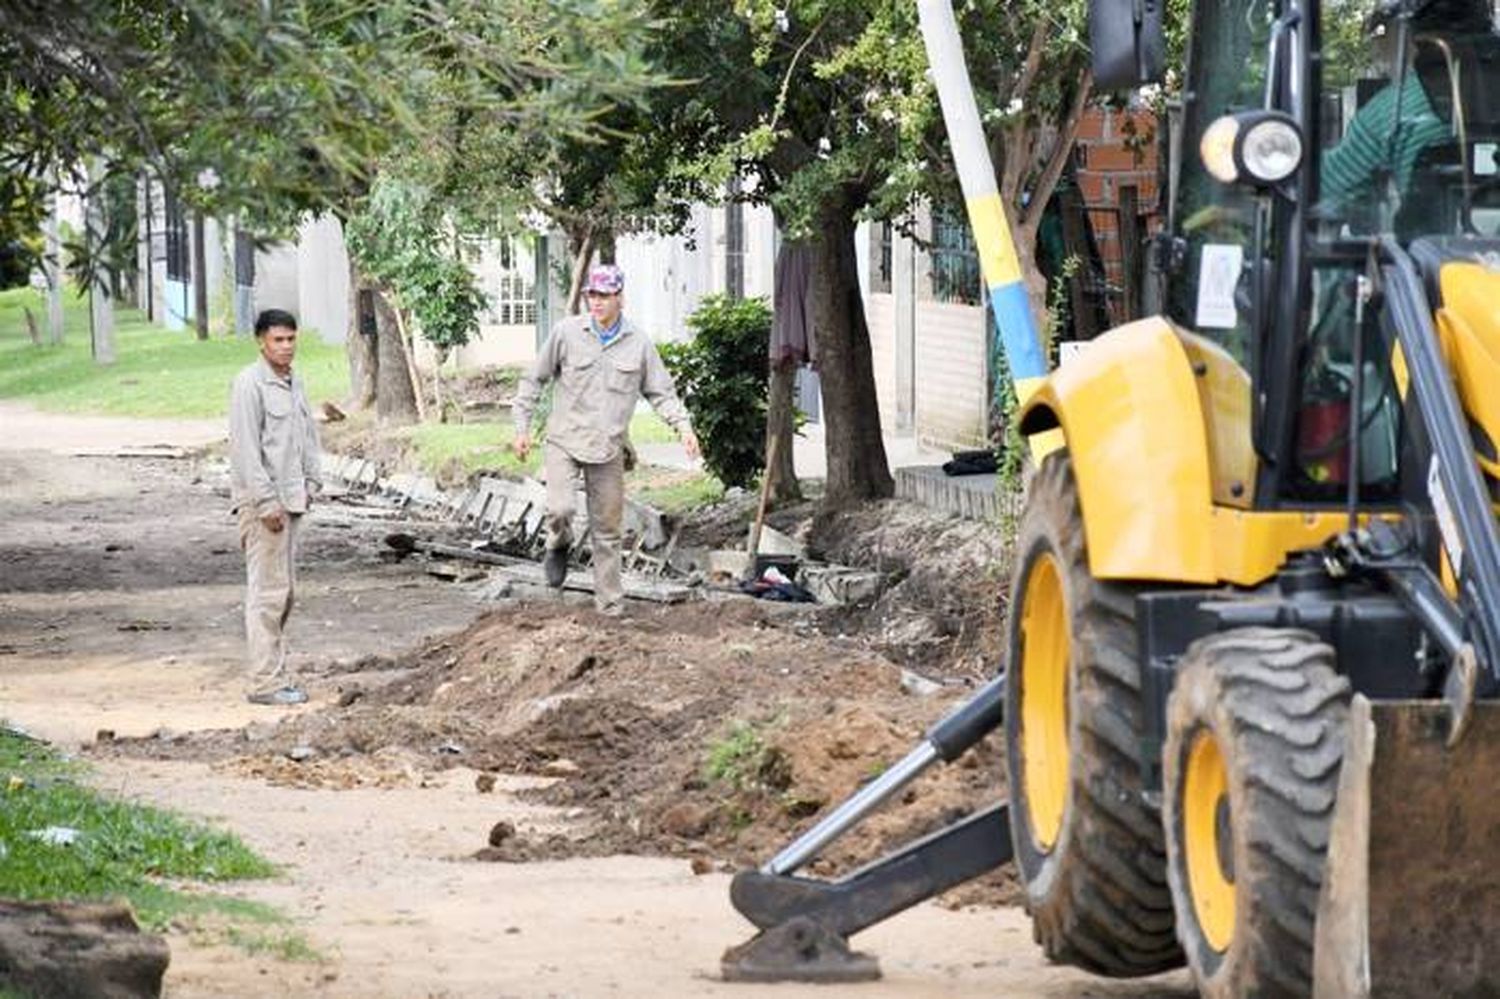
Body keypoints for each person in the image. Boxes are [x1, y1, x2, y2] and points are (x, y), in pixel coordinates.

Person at [512, 265, 699, 615]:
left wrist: (683, 428)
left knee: (608, 531)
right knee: (560, 509)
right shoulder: (567, 333)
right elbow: (533, 380)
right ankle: (559, 541)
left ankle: (610, 607)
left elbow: (662, 393)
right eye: (592, 295)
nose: (596, 302)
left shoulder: (638, 343)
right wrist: (521, 428)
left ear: (620, 298)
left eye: (604, 296)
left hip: (609, 447)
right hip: (564, 441)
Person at [228, 308, 321, 705]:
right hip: (266, 506)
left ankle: (275, 673)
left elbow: (307, 437)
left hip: (293, 500)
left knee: (284, 593)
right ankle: (265, 683)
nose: (285, 346)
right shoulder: (249, 384)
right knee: (267, 594)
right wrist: (266, 501)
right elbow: (247, 450)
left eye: (290, 339)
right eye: (277, 340)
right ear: (261, 342)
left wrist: (312, 481)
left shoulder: (294, 380)